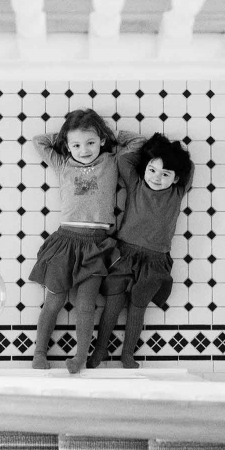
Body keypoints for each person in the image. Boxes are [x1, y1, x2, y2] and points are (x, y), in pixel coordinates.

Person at [27, 109, 142, 373]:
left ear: (101, 140)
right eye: (76, 145)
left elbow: (138, 143)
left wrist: (112, 136)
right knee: (54, 301)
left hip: (97, 244)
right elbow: (38, 141)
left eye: (90, 142)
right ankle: (40, 352)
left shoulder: (112, 161)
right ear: (68, 145)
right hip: (66, 241)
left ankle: (80, 357)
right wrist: (65, 136)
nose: (84, 149)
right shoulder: (63, 163)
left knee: (86, 304)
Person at [89, 133, 195, 369]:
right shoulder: (136, 184)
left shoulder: (177, 193)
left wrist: (166, 154)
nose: (157, 177)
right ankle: (100, 350)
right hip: (124, 254)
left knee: (137, 309)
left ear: (176, 178)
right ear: (145, 167)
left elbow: (191, 167)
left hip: (155, 261)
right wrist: (148, 149)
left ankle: (128, 354)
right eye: (152, 170)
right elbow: (123, 161)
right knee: (112, 305)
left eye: (165, 174)